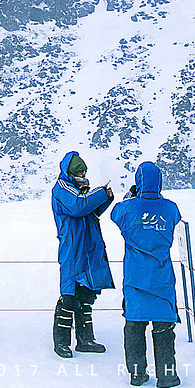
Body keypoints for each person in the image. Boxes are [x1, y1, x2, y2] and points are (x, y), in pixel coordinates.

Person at [110, 161, 182, 387]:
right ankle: (167, 375)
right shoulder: (170, 208)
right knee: (163, 330)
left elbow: (115, 214)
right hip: (162, 278)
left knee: (134, 326)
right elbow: (175, 218)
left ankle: (137, 374)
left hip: (135, 278)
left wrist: (132, 197)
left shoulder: (128, 209)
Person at [51, 151, 114, 358]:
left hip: (87, 247)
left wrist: (105, 199)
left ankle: (85, 339)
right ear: (69, 171)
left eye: (83, 170)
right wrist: (100, 194)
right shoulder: (62, 188)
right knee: (69, 295)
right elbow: (78, 206)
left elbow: (91, 211)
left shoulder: (79, 189)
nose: (82, 173)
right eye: (78, 170)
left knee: (86, 294)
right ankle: (61, 341)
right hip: (72, 247)